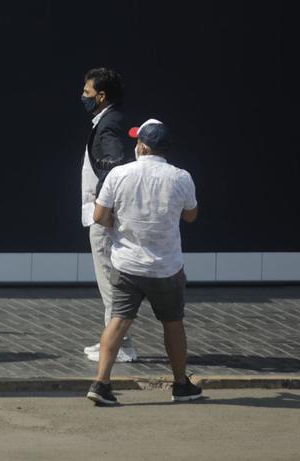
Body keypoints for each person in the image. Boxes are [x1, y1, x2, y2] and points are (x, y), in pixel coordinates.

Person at [86, 119, 201, 406]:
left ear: (142, 146)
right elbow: (191, 216)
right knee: (173, 324)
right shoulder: (181, 177)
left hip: (127, 264)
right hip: (166, 267)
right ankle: (180, 384)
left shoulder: (119, 174)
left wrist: (118, 227)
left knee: (118, 321)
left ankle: (101, 383)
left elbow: (99, 216)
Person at [79, 67, 136, 363]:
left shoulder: (108, 125)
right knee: (109, 281)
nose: (83, 97)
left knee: (109, 282)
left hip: (101, 215)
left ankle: (120, 346)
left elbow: (113, 166)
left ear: (101, 96)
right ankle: (110, 341)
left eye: (87, 93)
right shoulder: (106, 120)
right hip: (99, 212)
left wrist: (104, 206)